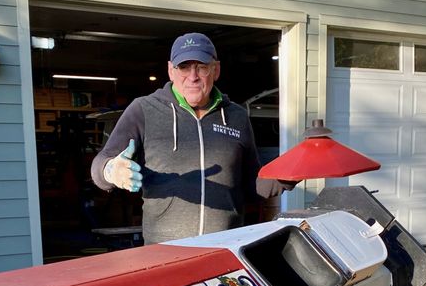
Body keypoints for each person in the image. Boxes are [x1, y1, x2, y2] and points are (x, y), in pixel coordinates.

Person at [90, 32, 290, 244]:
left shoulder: (236, 116)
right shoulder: (143, 110)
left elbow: (252, 186)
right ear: (170, 70)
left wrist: (289, 172)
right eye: (184, 67)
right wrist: (111, 170)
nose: (193, 76)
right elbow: (100, 164)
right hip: (165, 251)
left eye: (202, 67)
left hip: (224, 247)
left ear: (216, 70)